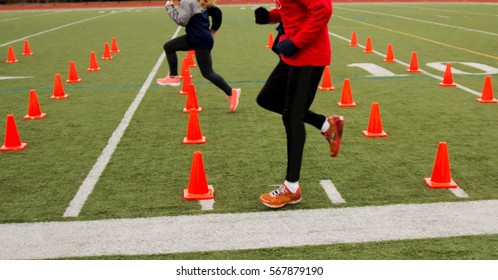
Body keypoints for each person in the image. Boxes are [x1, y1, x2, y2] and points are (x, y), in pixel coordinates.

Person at [254, 1, 344, 208]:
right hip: (293, 55)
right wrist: (271, 17)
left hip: (308, 56)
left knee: (292, 116)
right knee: (267, 98)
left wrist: (297, 42)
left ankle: (292, 188)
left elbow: (323, 8)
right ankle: (325, 125)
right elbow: (292, 9)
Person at [157, 0, 241, 112]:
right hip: (198, 37)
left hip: (199, 39)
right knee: (169, 47)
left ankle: (232, 92)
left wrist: (169, 7)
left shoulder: (186, 1)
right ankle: (173, 77)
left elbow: (182, 21)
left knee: (208, 72)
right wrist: (214, 30)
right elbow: (217, 12)